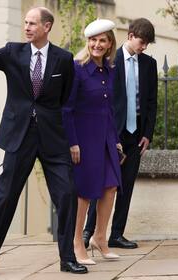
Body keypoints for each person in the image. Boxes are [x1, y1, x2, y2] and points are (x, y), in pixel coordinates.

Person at [0, 4, 87, 277]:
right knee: (5, 196)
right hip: (20, 135)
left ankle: (68, 258)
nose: (27, 27)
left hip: (53, 138)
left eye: (32, 23)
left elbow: (64, 98)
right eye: (26, 23)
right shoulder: (12, 52)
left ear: (47, 27)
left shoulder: (63, 59)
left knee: (67, 195)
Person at [83, 18, 158, 249]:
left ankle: (116, 234)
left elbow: (151, 101)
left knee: (126, 185)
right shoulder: (109, 61)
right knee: (103, 184)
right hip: (110, 133)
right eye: (141, 41)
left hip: (135, 136)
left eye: (147, 44)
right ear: (130, 35)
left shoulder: (149, 64)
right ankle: (89, 232)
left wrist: (147, 133)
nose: (143, 47)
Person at [62, 19, 121, 265]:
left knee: (110, 187)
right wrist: (73, 142)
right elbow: (66, 109)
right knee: (84, 194)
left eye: (102, 40)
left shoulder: (108, 70)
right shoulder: (77, 68)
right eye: (93, 40)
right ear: (88, 42)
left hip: (105, 138)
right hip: (84, 140)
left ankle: (100, 237)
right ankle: (77, 243)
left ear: (109, 45)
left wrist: (115, 140)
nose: (97, 44)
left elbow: (108, 109)